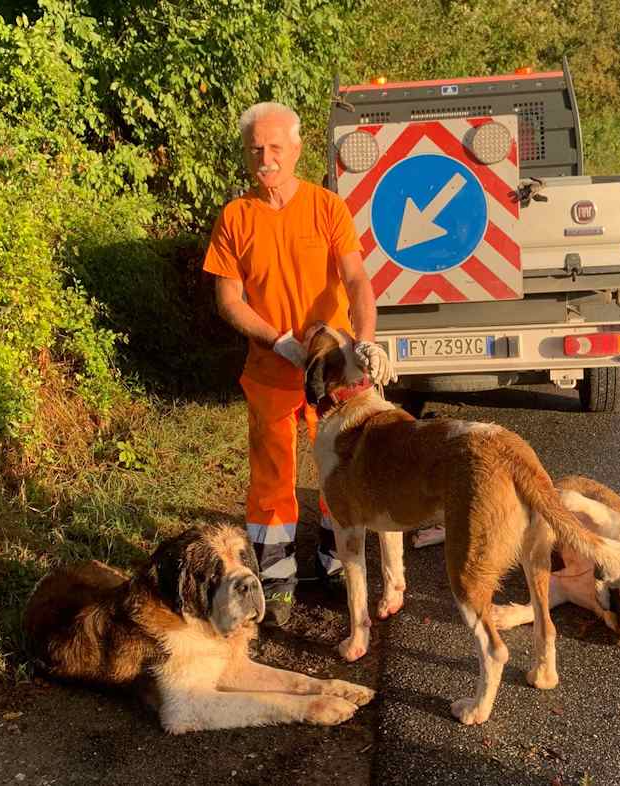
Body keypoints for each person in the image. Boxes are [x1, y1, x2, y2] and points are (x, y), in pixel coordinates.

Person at [203, 102, 394, 626]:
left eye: (276, 149)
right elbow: (229, 299)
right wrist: (276, 340)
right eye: (256, 150)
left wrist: (365, 343)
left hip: (332, 375)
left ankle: (337, 565)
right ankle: (277, 583)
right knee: (271, 483)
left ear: (297, 150)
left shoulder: (327, 207)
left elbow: (356, 280)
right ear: (247, 153)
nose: (266, 159)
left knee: (340, 471)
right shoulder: (236, 217)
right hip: (270, 375)